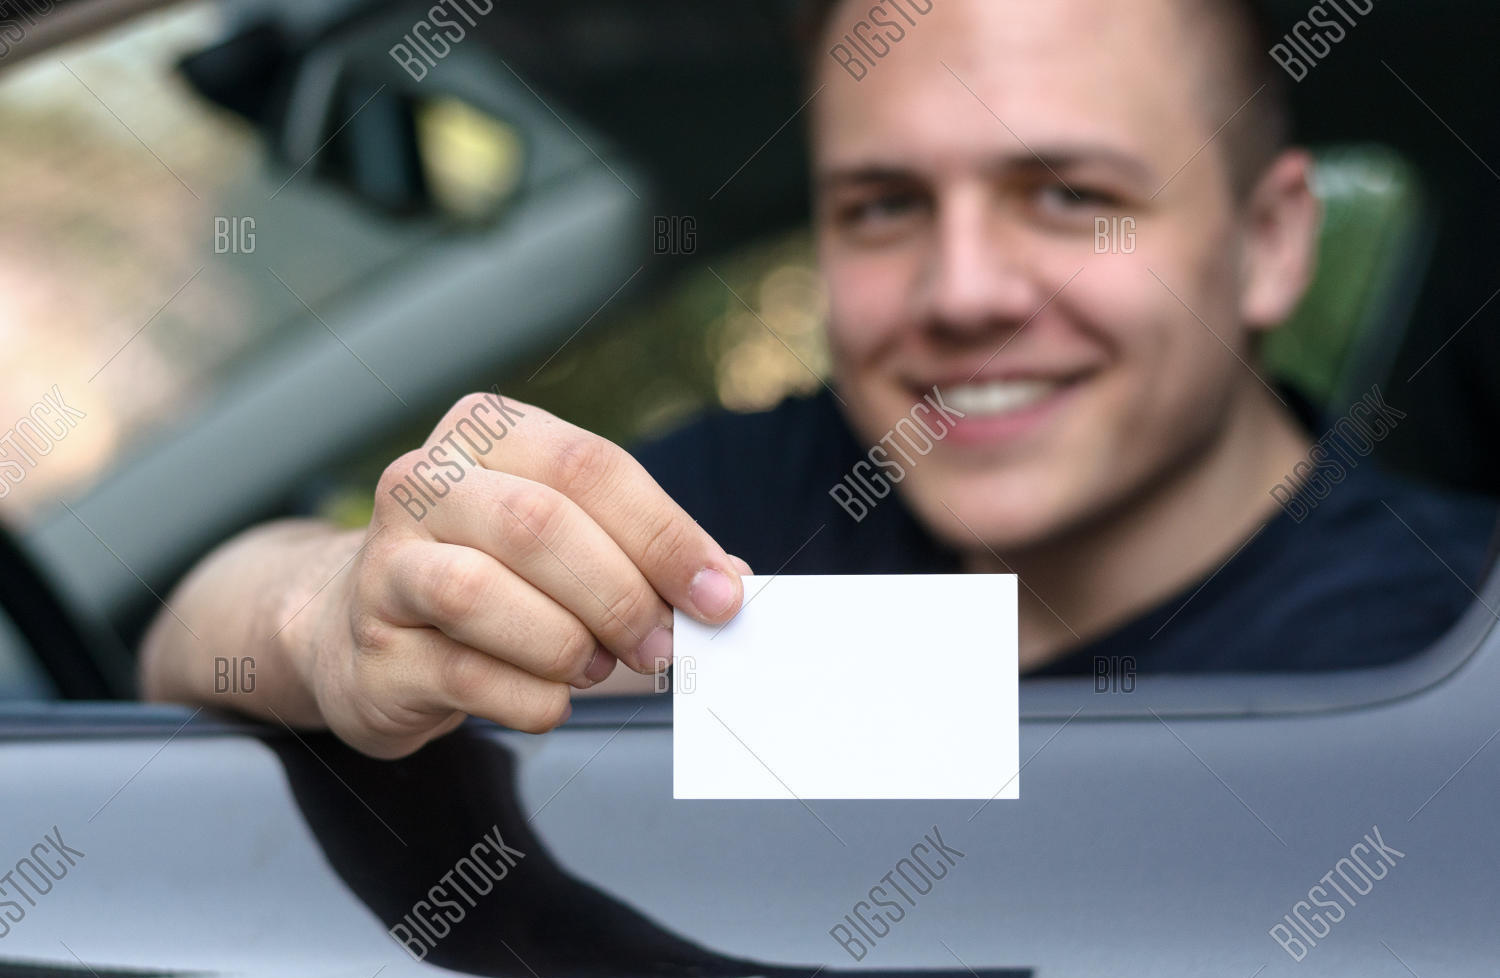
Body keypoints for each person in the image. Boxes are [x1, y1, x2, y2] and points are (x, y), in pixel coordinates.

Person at [140, 0, 1496, 758]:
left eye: (1070, 194)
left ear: (1268, 244)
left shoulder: (1440, 649)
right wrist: (337, 610)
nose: (963, 292)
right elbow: (188, 635)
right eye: (883, 207)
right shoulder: (768, 517)